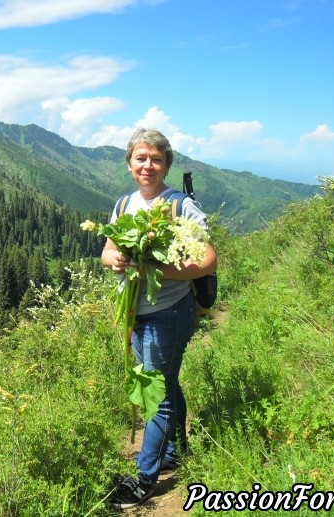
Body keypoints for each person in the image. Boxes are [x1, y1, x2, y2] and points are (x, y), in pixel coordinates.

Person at [101, 128, 218, 510]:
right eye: (140, 158)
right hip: (137, 314)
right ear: (130, 163)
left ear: (166, 163)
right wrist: (115, 259)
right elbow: (108, 249)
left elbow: (206, 260)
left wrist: (155, 268)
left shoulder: (180, 206)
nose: (147, 165)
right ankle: (176, 454)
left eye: (155, 158)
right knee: (167, 384)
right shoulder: (123, 205)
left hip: (168, 314)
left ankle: (144, 478)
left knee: (158, 397)